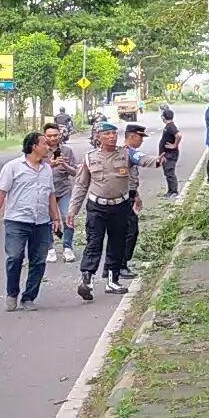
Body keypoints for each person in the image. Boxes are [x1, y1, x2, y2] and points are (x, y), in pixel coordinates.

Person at [0, 131, 62, 312]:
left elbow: (50, 194)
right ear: (34, 146)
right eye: (44, 143)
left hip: (41, 222)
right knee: (14, 257)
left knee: (38, 260)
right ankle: (12, 294)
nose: (48, 146)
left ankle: (29, 297)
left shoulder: (46, 169)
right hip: (17, 221)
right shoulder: (12, 167)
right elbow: (0, 193)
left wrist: (56, 217)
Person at [71, 122, 138, 299]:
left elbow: (143, 160)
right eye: (107, 134)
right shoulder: (89, 157)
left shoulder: (126, 154)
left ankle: (112, 280)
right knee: (94, 242)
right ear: (98, 136)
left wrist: (157, 161)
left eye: (114, 133)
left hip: (120, 205)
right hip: (96, 207)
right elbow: (80, 186)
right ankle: (87, 280)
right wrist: (72, 210)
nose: (112, 137)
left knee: (117, 243)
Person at [42, 124, 80, 262]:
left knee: (67, 217)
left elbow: (75, 172)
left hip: (63, 189)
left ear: (60, 135)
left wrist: (64, 165)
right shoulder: (41, 151)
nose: (53, 138)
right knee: (46, 220)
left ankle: (67, 247)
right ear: (44, 136)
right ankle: (50, 248)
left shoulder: (67, 151)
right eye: (49, 136)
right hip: (45, 191)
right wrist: (50, 164)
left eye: (55, 135)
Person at [118, 123, 149, 278]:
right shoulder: (126, 152)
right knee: (129, 231)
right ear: (131, 136)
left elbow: (130, 178)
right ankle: (120, 265)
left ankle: (118, 264)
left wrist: (136, 194)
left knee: (128, 230)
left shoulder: (130, 152)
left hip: (129, 195)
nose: (141, 140)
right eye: (140, 137)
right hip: (122, 198)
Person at [156, 106, 182, 198]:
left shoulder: (171, 126)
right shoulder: (169, 126)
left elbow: (178, 135)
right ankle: (170, 190)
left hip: (170, 154)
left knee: (170, 172)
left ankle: (174, 191)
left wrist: (174, 145)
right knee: (167, 172)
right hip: (166, 154)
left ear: (163, 117)